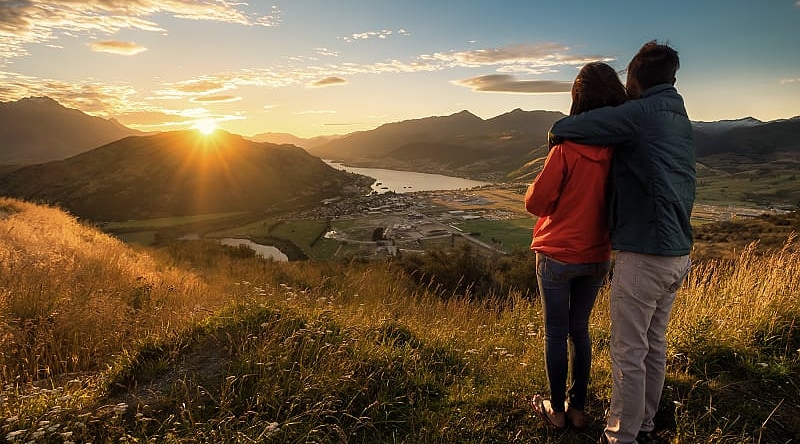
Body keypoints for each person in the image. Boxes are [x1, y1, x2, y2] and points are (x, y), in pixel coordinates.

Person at [548, 41, 695, 444]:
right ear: (672, 79)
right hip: (678, 250)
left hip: (646, 251)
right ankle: (643, 425)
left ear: (634, 79)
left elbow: (568, 128)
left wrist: (555, 133)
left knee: (628, 351)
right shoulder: (677, 114)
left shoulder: (640, 113)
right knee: (653, 345)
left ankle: (620, 436)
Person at [525, 62, 628, 430]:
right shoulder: (621, 150)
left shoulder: (566, 148)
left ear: (578, 98)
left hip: (557, 254)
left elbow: (536, 203)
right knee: (579, 330)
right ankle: (579, 408)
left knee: (555, 331)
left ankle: (555, 409)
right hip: (598, 253)